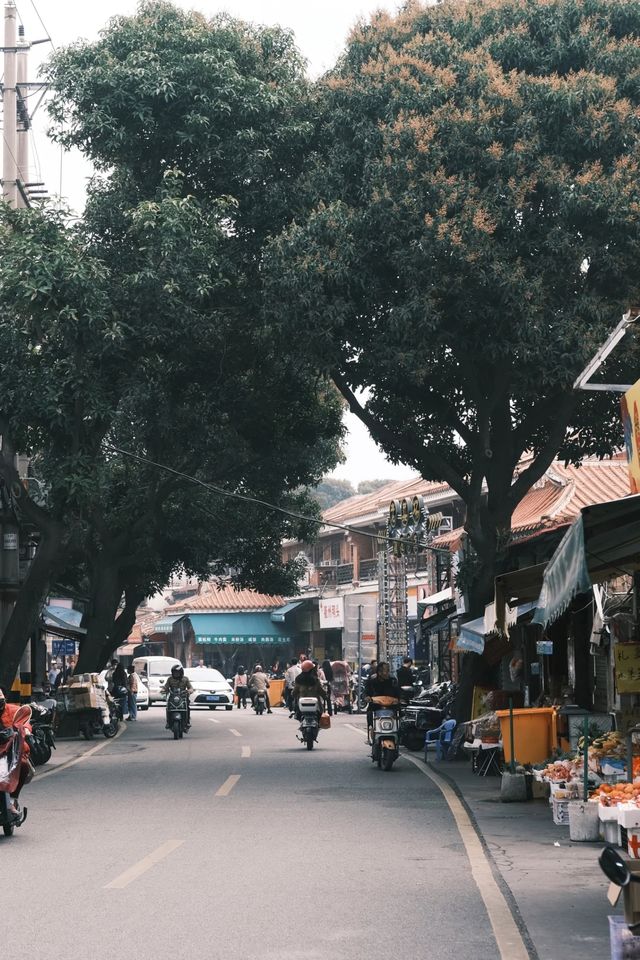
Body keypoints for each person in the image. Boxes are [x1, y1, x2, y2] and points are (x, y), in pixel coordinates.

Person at [0, 688, 32, 816]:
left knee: (23, 765)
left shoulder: (13, 710)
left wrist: (26, 729)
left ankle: (13, 799)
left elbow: (24, 722)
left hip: (11, 752)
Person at [365, 662, 399, 744]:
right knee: (370, 714)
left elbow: (398, 692)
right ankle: (371, 733)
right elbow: (366, 692)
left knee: (400, 714)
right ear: (379, 672)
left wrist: (399, 699)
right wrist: (367, 697)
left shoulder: (393, 680)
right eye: (385, 671)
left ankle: (398, 734)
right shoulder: (372, 681)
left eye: (388, 670)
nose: (387, 673)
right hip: (376, 706)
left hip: (391, 706)